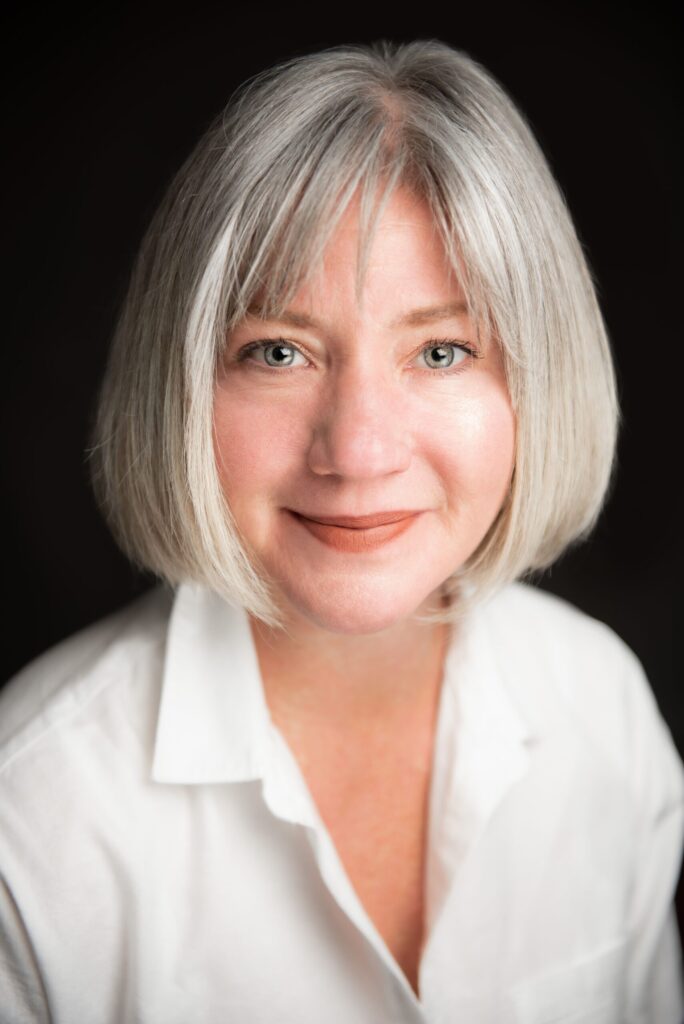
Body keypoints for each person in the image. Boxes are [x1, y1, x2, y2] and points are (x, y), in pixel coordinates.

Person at [0, 38, 681, 1024]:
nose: (358, 451)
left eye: (441, 350)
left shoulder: (602, 709)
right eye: (277, 351)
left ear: (540, 381)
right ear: (180, 383)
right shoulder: (32, 815)